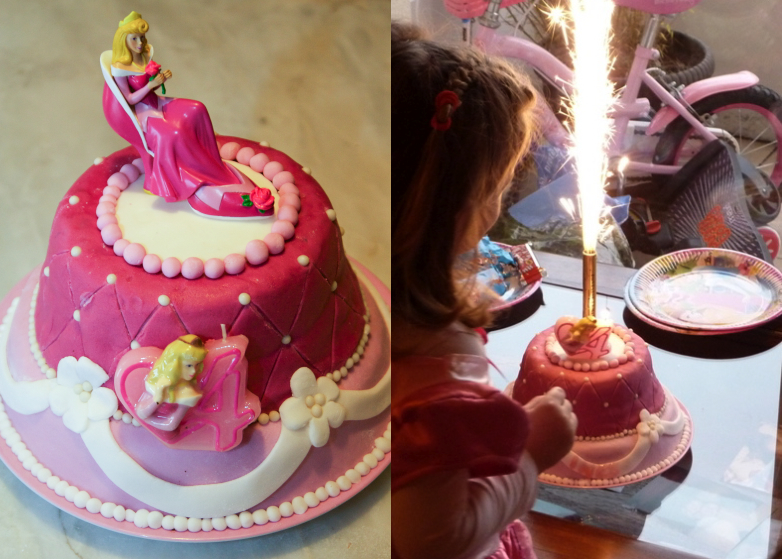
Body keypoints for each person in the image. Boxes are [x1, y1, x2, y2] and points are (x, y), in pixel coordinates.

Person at [392, 22, 578, 559]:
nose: (498, 204)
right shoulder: (437, 375)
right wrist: (530, 456)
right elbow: (435, 540)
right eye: (496, 189)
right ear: (453, 211)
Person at [105, 12, 267, 219]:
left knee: (197, 109)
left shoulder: (144, 54)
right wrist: (151, 85)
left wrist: (159, 79)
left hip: (157, 102)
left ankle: (211, 163)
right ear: (123, 41)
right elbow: (128, 99)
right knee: (173, 134)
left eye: (142, 37)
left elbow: (152, 84)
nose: (140, 43)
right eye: (134, 38)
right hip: (143, 112)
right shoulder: (120, 67)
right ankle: (193, 178)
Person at [136, 334, 208, 431]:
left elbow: (170, 425)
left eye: (197, 365)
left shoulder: (188, 393)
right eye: (189, 366)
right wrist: (158, 397)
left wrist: (145, 420)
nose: (193, 371)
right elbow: (141, 412)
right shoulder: (157, 380)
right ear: (174, 364)